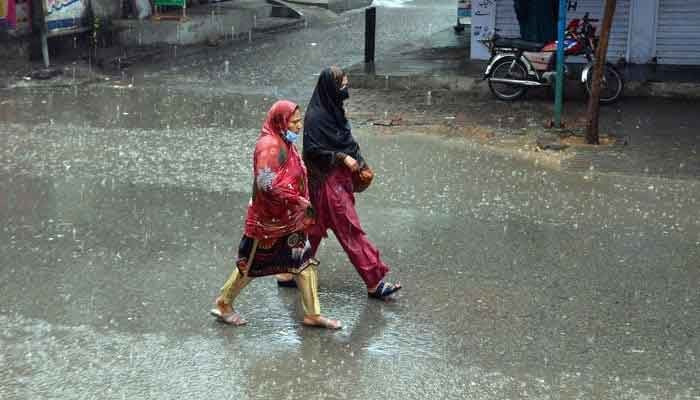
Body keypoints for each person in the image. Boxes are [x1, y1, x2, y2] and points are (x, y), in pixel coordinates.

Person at [211, 100, 341, 329]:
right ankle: (223, 303)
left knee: (304, 263)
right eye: (294, 122)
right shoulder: (270, 146)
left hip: (290, 220)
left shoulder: (284, 142)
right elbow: (266, 184)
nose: (299, 127)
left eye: (299, 121)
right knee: (249, 267)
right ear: (281, 122)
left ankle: (312, 314)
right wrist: (296, 199)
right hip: (267, 223)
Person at [277, 66, 401, 300]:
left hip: (333, 180)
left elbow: (346, 140)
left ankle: (291, 270)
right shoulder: (316, 117)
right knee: (350, 231)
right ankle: (374, 282)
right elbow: (313, 151)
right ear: (331, 88)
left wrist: (359, 162)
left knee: (311, 227)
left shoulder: (334, 110)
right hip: (326, 183)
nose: (345, 89)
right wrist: (342, 158)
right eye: (342, 85)